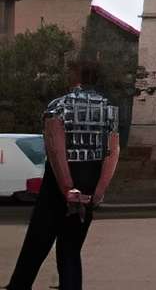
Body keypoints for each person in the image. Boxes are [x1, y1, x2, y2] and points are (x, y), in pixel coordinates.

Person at [7, 56, 120, 290]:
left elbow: (56, 149)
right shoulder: (109, 108)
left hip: (59, 182)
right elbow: (112, 151)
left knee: (37, 241)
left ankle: (19, 285)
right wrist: (99, 191)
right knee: (70, 248)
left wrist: (68, 188)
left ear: (76, 74)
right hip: (90, 178)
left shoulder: (58, 106)